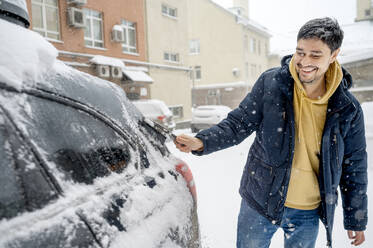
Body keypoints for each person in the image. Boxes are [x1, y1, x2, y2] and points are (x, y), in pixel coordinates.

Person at [175, 17, 367, 248]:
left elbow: (354, 164)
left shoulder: (347, 107)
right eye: (300, 52)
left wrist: (355, 217)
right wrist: (202, 141)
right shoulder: (272, 83)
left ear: (334, 55)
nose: (304, 61)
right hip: (260, 200)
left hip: (308, 211)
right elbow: (239, 122)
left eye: (315, 55)